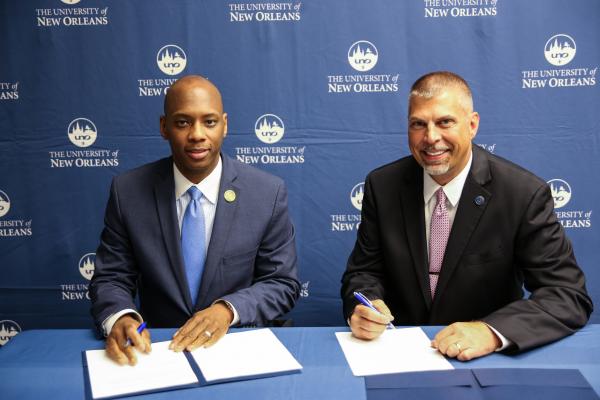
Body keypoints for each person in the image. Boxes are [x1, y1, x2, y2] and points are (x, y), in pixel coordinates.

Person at [341, 71, 593, 361]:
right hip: (397, 356)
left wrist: (490, 331)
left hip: (487, 359)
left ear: (472, 125)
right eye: (418, 124)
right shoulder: (382, 185)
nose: (431, 137)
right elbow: (363, 272)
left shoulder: (523, 193)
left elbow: (566, 294)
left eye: (444, 122)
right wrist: (362, 305)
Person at [90, 75, 300, 365]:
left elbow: (281, 283)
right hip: (160, 352)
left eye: (210, 122)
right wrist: (121, 316)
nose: (197, 134)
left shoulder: (267, 193)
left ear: (225, 124)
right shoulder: (128, 192)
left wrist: (227, 310)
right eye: (183, 122)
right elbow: (111, 277)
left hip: (237, 348)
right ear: (164, 127)